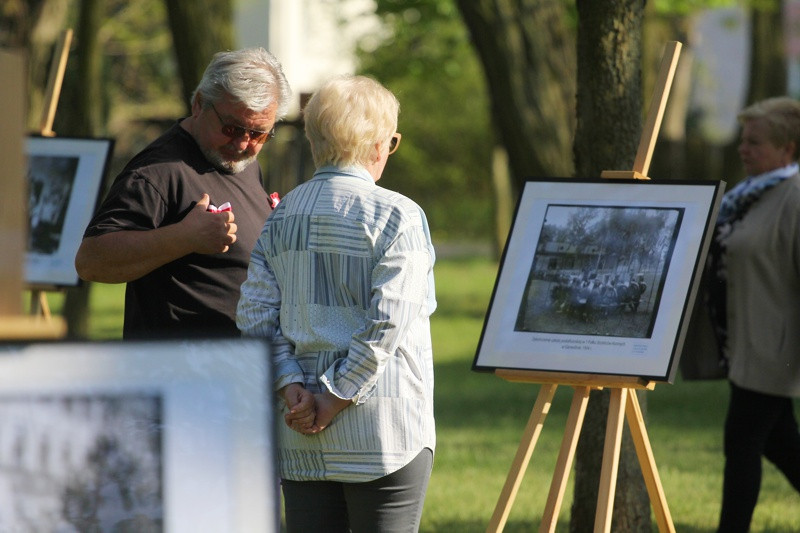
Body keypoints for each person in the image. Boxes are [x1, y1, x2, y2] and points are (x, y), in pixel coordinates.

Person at [237, 75, 436, 532]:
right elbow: (387, 324)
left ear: (314, 141)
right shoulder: (398, 216)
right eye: (392, 140)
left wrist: (290, 385)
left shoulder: (281, 215)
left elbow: (255, 315)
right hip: (384, 433)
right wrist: (336, 396)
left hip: (300, 430)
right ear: (379, 144)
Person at [74, 47, 291, 339]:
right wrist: (184, 237)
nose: (243, 144)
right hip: (179, 364)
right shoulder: (157, 172)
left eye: (258, 134)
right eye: (231, 128)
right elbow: (91, 261)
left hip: (242, 361)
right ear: (199, 105)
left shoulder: (244, 163)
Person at [705, 97, 800, 532]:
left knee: (741, 441)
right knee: (780, 443)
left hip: (774, 349)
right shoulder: (748, 196)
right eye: (743, 140)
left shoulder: (793, 198)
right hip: (745, 344)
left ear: (787, 149)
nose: (743, 149)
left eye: (755, 142)